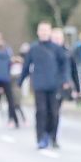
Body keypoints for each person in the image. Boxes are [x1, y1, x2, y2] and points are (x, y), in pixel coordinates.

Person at [17, 21, 68, 149]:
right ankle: (41, 138)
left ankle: (53, 137)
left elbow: (64, 65)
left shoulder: (56, 49)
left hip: (54, 84)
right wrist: (20, 80)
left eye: (46, 30)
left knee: (54, 113)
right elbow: (26, 66)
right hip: (39, 84)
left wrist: (65, 80)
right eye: (42, 30)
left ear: (50, 32)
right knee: (41, 112)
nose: (44, 32)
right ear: (38, 32)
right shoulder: (33, 48)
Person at [51, 27, 79, 102]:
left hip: (62, 84)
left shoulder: (68, 53)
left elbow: (74, 71)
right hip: (49, 84)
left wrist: (77, 88)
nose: (57, 41)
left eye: (58, 38)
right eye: (55, 38)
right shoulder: (47, 53)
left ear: (62, 39)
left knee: (55, 109)